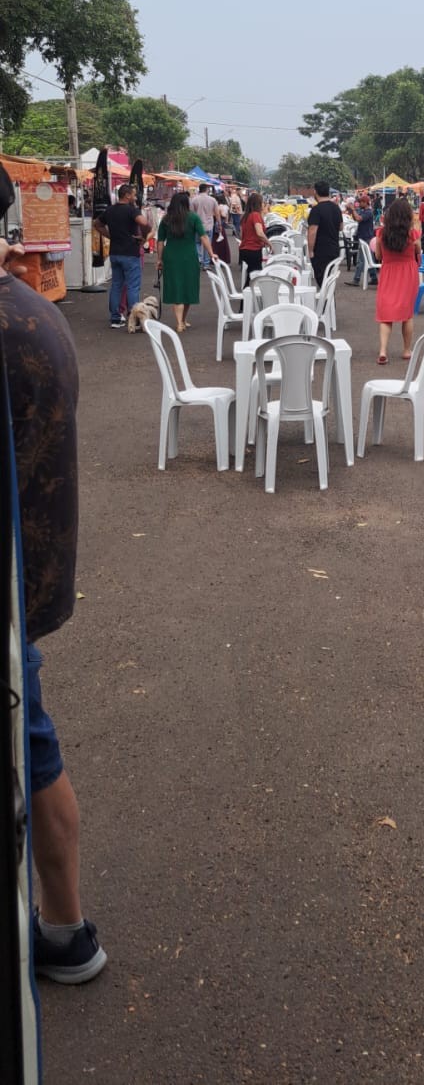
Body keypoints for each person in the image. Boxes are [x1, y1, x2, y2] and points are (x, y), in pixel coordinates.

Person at [0, 223, 107, 984]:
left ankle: (67, 932)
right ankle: (66, 928)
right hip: (28, 577)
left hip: (11, 584)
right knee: (32, 745)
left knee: (32, 749)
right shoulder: (33, 309)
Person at [157, 191, 215, 332]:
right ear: (186, 204)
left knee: (176, 288)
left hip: (171, 256)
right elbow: (203, 237)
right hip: (189, 256)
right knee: (188, 288)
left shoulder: (166, 219)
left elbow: (160, 241)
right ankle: (182, 320)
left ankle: (180, 322)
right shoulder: (193, 218)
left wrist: (159, 259)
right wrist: (211, 254)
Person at [372, 196, 421, 363]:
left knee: (385, 313)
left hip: (388, 272)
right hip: (408, 273)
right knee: (407, 314)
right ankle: (407, 350)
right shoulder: (413, 234)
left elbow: (378, 256)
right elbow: (418, 254)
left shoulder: (381, 234)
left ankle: (383, 350)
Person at [96, 182, 149, 328]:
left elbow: (97, 224)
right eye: (133, 194)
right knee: (132, 286)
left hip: (115, 252)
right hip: (130, 253)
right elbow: (143, 222)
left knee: (117, 285)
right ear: (127, 195)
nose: (135, 196)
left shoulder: (110, 210)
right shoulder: (131, 210)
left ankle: (115, 318)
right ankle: (134, 318)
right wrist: (142, 237)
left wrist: (109, 235)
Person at [306, 180, 343, 287]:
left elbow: (312, 231)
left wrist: (310, 251)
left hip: (321, 251)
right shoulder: (336, 208)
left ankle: (326, 303)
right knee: (330, 283)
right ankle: (330, 303)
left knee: (323, 283)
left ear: (315, 192)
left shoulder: (316, 210)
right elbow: (341, 227)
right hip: (334, 249)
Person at [239, 192, 268, 281]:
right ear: (258, 203)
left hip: (245, 249)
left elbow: (241, 235)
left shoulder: (246, 216)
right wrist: (269, 243)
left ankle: (247, 292)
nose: (264, 204)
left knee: (250, 276)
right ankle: (250, 293)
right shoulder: (255, 215)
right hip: (253, 250)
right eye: (262, 202)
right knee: (255, 277)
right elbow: (259, 233)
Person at [349, 191, 376, 286]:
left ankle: (356, 279)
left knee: (361, 259)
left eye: (361, 202)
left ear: (365, 202)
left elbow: (359, 219)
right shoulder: (363, 210)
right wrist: (352, 211)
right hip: (365, 237)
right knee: (370, 259)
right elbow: (355, 218)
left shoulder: (368, 212)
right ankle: (374, 278)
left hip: (366, 238)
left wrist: (353, 210)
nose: (359, 204)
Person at [189, 183, 218, 270]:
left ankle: (198, 261)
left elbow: (191, 213)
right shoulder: (212, 200)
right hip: (209, 225)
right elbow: (217, 213)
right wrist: (219, 223)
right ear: (207, 189)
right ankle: (206, 264)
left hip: (197, 225)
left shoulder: (194, 200)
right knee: (207, 244)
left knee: (197, 243)